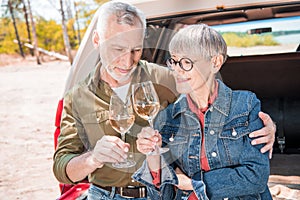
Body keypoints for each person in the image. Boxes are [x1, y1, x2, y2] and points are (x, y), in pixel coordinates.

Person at [53, 1, 275, 199]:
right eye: (118, 49)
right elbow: (61, 167)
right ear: (97, 41)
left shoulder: (166, 78)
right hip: (105, 195)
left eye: (136, 50)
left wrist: (265, 126)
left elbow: (210, 99)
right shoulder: (77, 96)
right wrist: (93, 159)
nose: (127, 61)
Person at [133, 24, 272, 199]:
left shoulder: (245, 105)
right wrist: (152, 156)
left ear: (215, 63)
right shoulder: (167, 118)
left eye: (186, 62)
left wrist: (194, 184)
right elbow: (163, 196)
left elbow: (256, 176)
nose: (176, 70)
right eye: (174, 61)